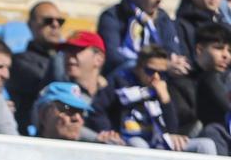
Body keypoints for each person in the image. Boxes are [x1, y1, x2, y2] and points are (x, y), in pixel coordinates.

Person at [91, 44, 219, 152]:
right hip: (130, 138)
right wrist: (108, 130)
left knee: (206, 145)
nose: (156, 77)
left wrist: (165, 100)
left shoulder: (163, 85)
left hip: (159, 139)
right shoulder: (120, 83)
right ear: (138, 67)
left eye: (162, 72)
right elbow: (97, 109)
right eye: (150, 71)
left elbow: (172, 128)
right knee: (139, 146)